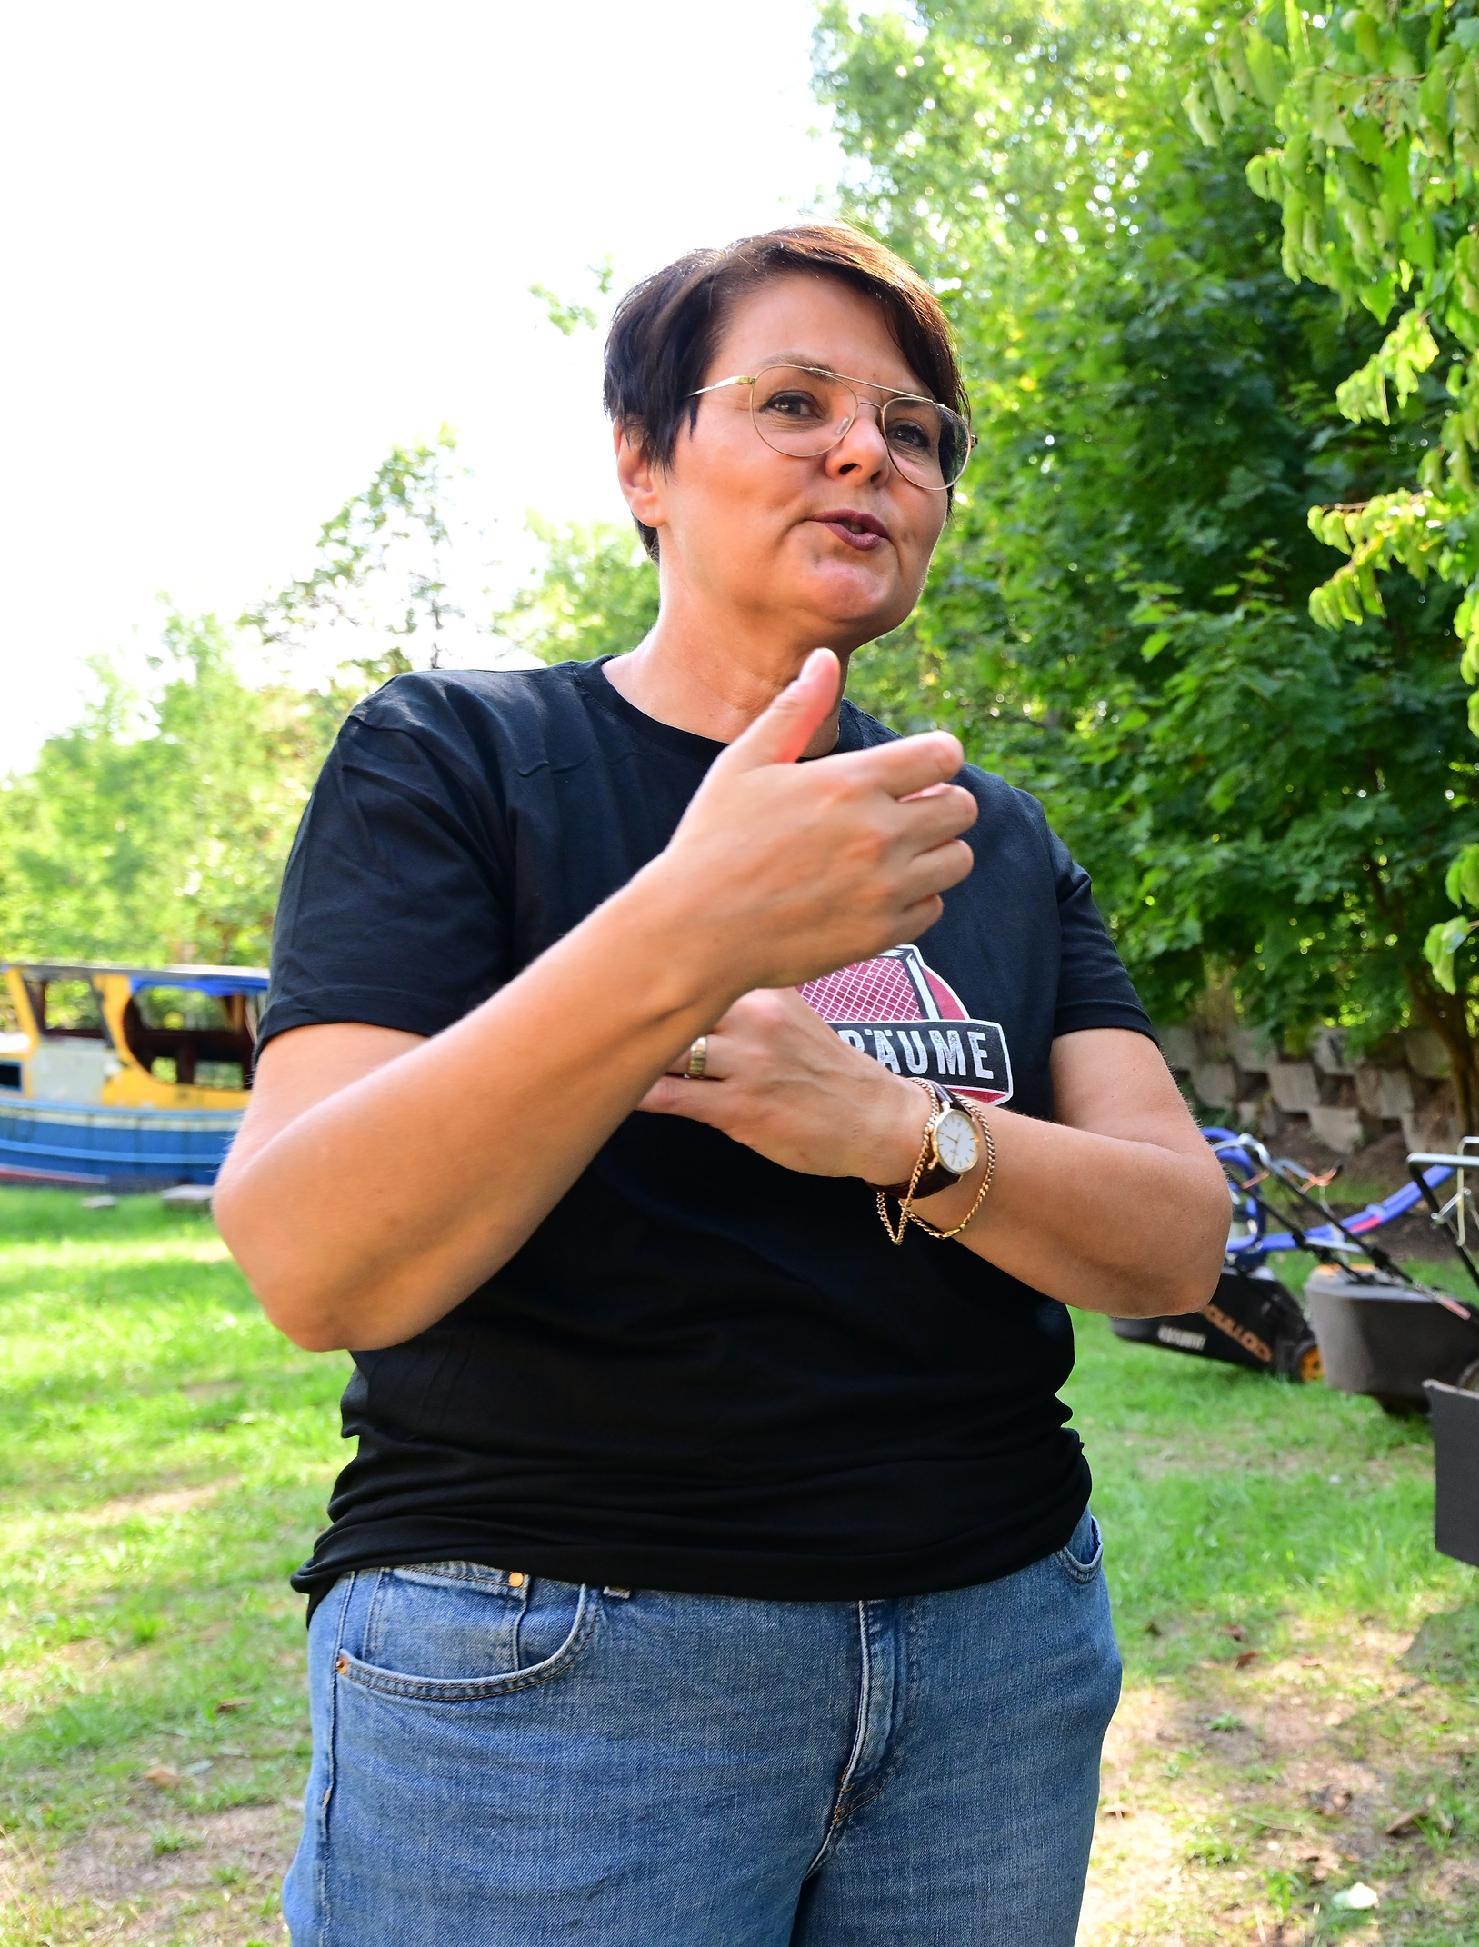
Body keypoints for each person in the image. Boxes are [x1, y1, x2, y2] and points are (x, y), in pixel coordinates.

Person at [214, 222, 1231, 1945]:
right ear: (642, 463)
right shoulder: (456, 764)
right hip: (553, 1664)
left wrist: (904, 1133)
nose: (868, 452)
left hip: (992, 1651)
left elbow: (1176, 1244)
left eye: (914, 431)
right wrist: (686, 927)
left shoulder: (988, 839)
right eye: (795, 400)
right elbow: (313, 1257)